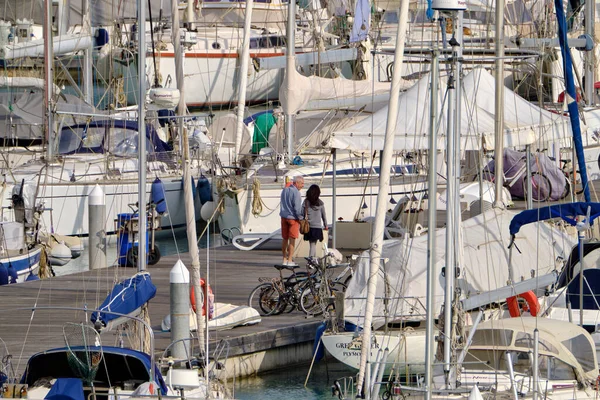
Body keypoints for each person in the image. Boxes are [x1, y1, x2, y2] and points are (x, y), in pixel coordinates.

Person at [280, 175, 305, 266]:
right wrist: (301, 219)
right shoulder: (296, 193)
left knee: (285, 238)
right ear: (296, 183)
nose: (303, 185)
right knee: (292, 239)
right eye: (302, 183)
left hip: (283, 217)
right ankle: (290, 260)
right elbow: (297, 209)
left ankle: (284, 259)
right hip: (293, 218)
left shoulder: (285, 190)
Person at [302, 184, 328, 258]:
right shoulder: (321, 203)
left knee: (312, 244)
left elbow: (301, 213)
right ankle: (312, 260)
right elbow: (324, 215)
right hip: (317, 227)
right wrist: (326, 225)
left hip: (309, 226)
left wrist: (301, 220)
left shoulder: (306, 202)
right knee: (313, 244)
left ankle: (312, 260)